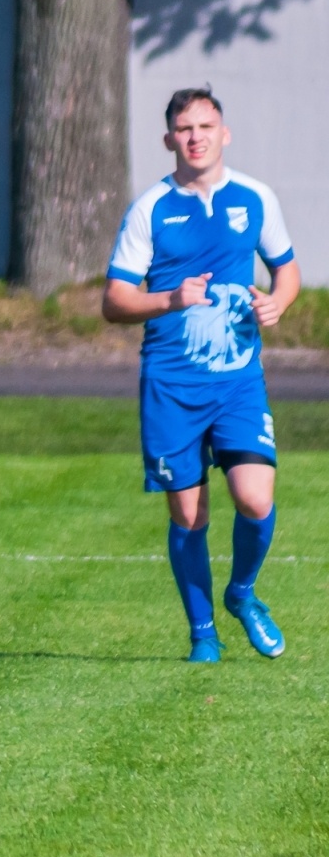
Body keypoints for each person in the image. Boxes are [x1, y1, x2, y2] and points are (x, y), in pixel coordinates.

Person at [102, 86, 299, 663]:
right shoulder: (150, 209)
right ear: (169, 140)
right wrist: (168, 299)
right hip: (171, 384)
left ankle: (242, 594)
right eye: (185, 129)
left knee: (255, 498)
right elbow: (114, 301)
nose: (196, 137)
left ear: (224, 133)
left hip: (238, 379)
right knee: (189, 512)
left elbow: (287, 272)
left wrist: (278, 304)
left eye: (206, 126)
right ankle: (203, 636)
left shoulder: (256, 198)